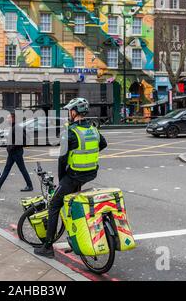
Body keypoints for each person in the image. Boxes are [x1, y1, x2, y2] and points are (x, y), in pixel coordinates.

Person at [34, 98, 108, 259]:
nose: (68, 113)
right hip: (89, 173)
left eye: (69, 110)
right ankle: (76, 236)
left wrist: (61, 180)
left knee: (54, 205)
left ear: (74, 112)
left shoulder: (71, 132)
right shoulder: (93, 128)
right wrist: (88, 155)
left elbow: (62, 159)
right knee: (72, 203)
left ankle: (47, 247)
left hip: (74, 175)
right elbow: (103, 144)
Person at [0, 113, 33, 192]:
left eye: (8, 118)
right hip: (13, 153)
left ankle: (30, 185)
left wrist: (11, 148)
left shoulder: (17, 127)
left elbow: (19, 141)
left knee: (22, 169)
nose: (7, 120)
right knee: (7, 169)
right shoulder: (14, 127)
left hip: (16, 153)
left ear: (12, 119)